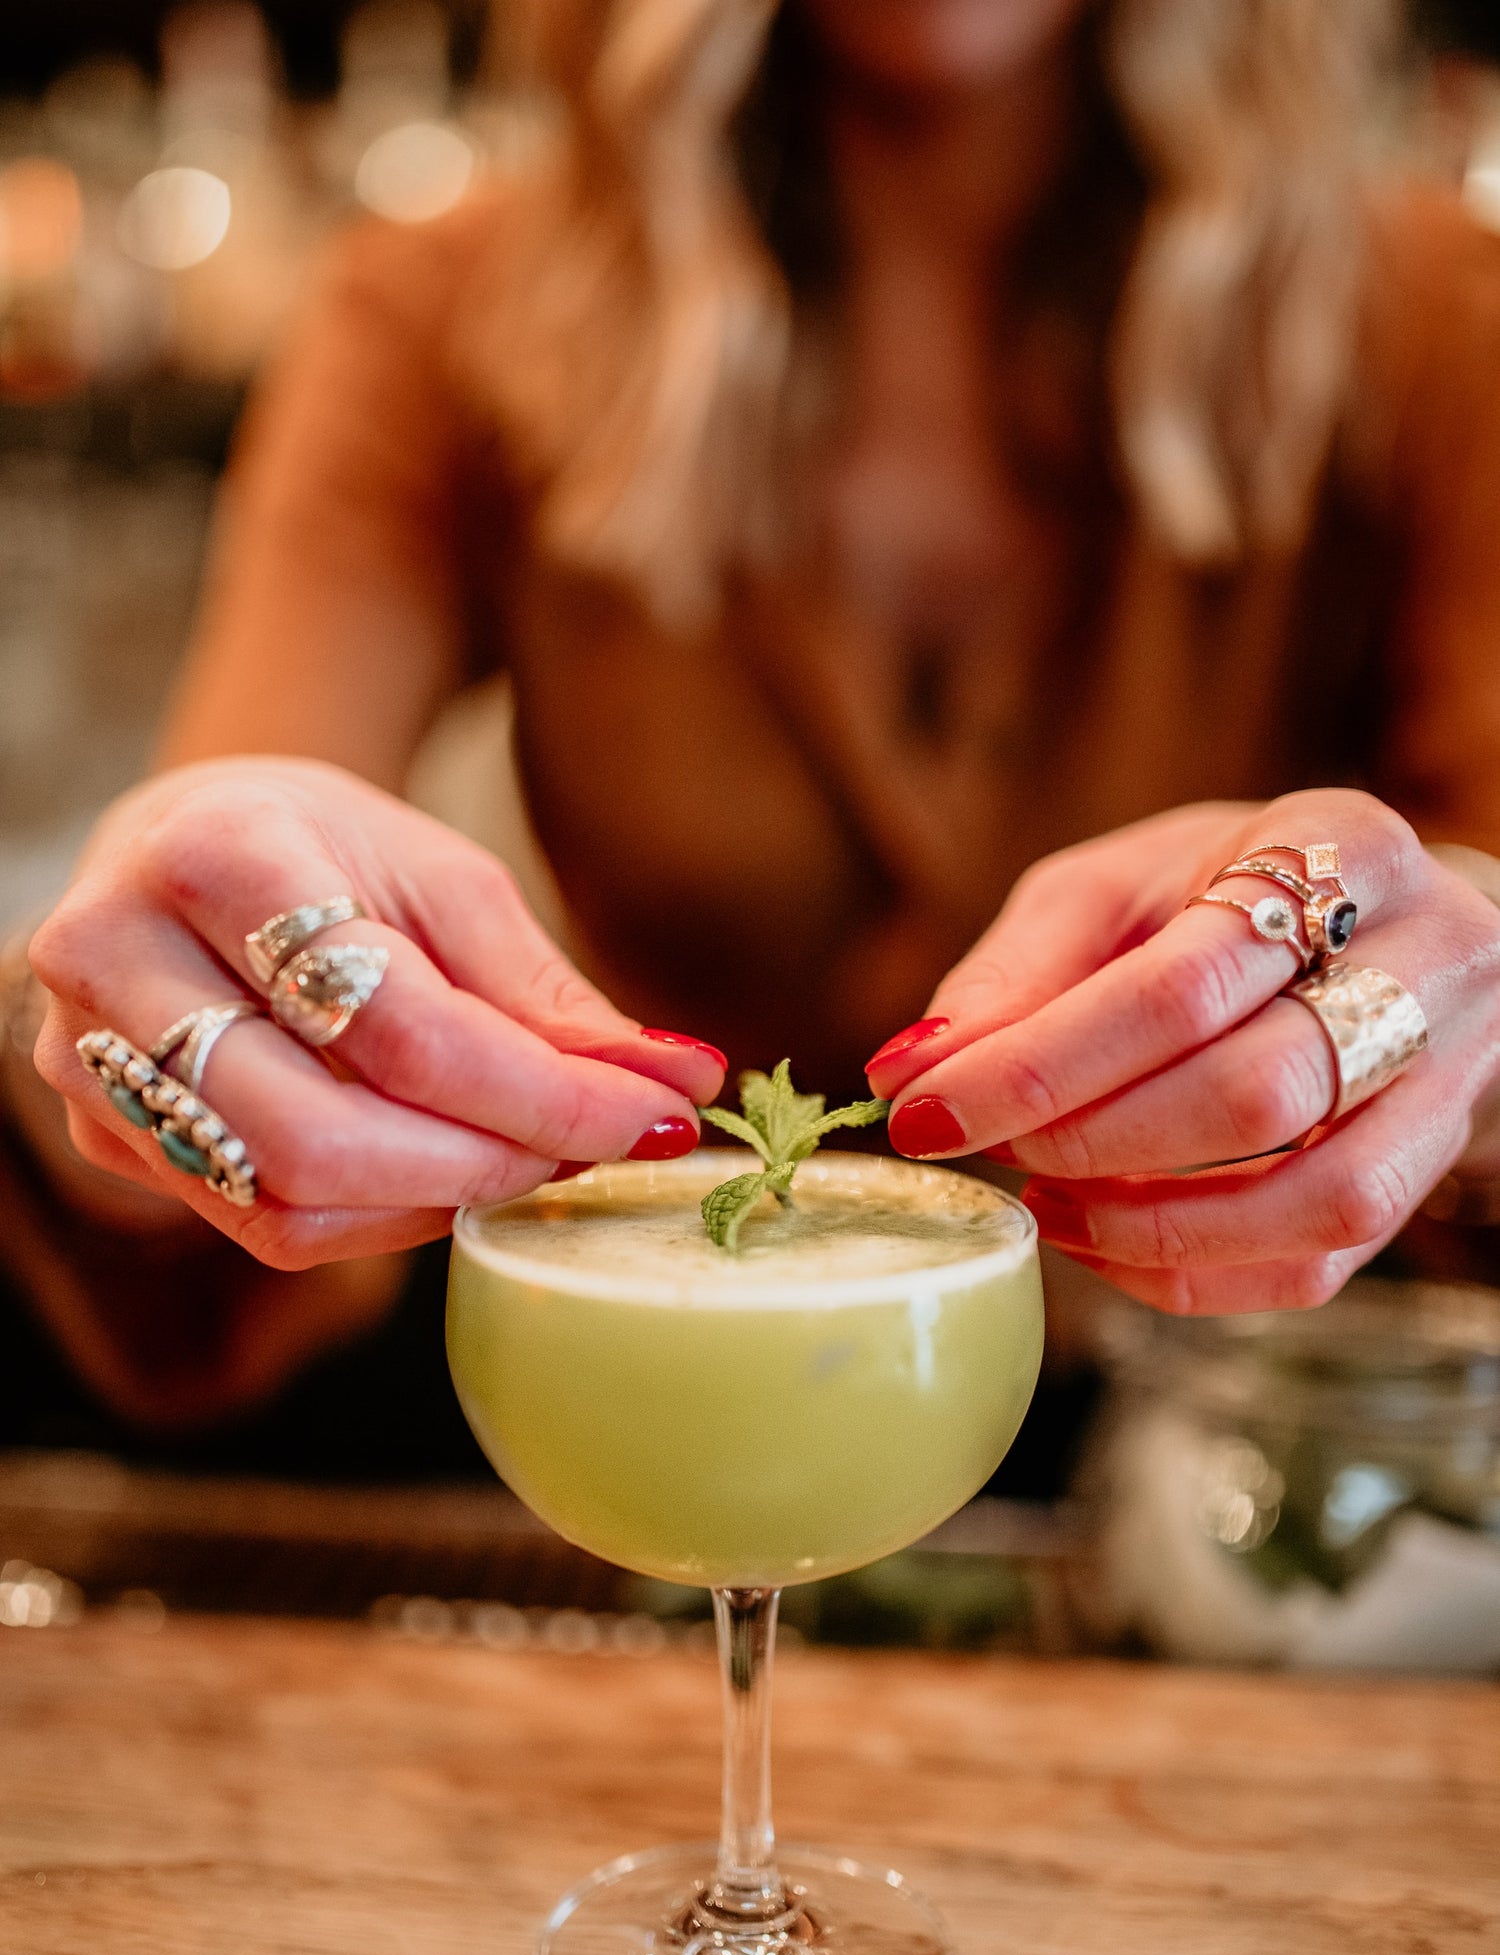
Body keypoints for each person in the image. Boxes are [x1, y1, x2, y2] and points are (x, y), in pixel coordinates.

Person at [5, 0, 1500, 1444]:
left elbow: (1480, 938)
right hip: (655, 1423)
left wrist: (1450, 995)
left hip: (1236, 1470)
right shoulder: (438, 313)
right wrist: (113, 1021)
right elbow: (199, 953)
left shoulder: (1438, 324)